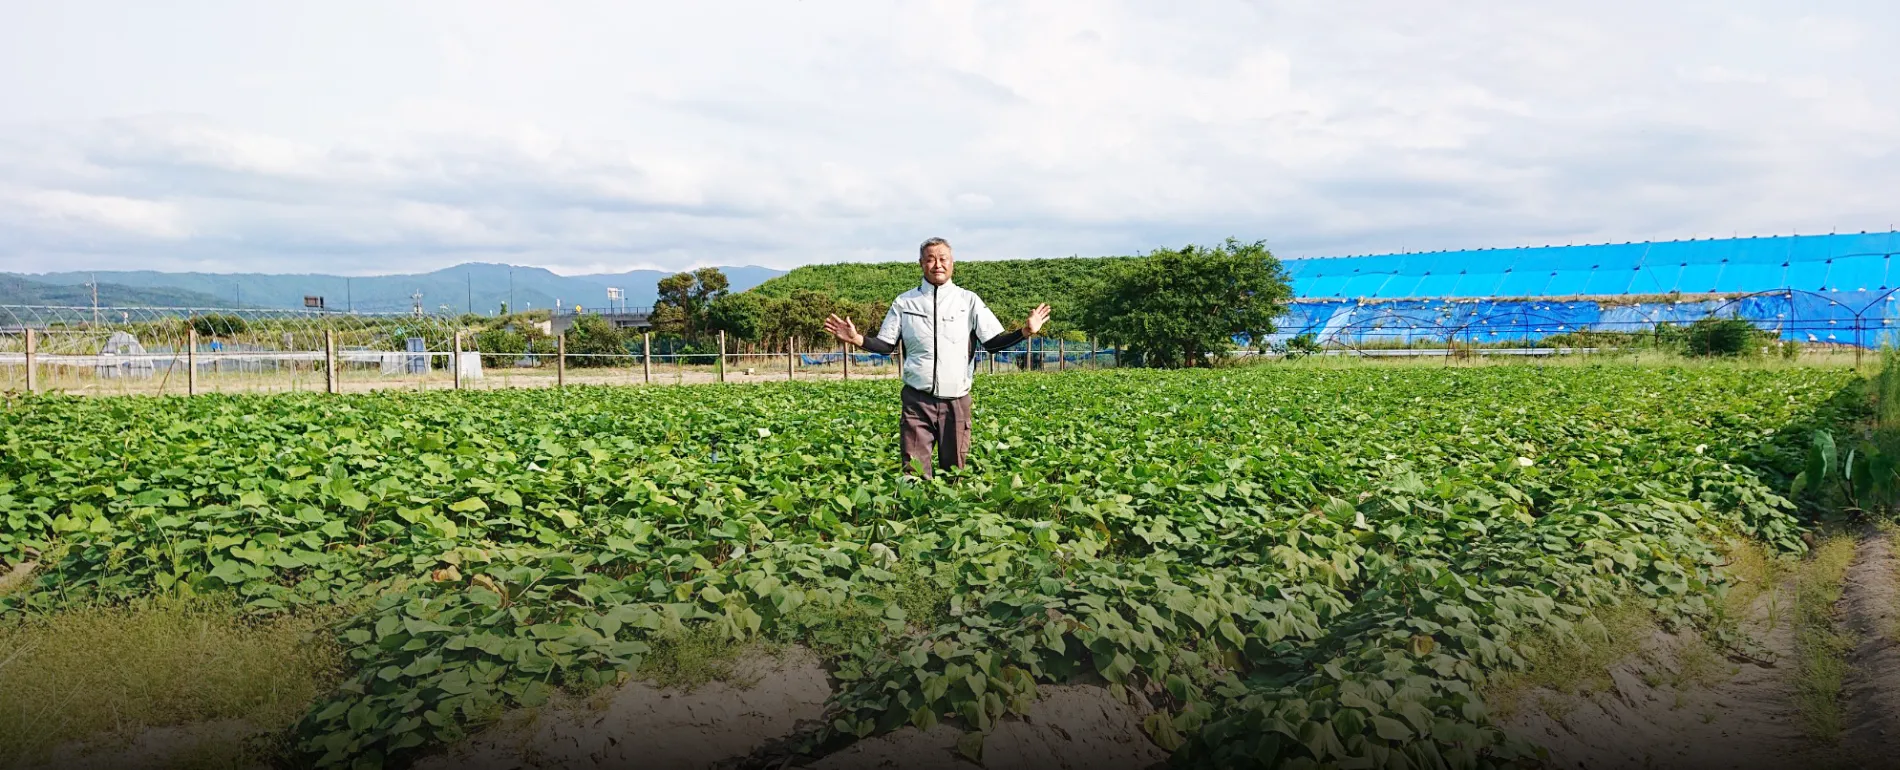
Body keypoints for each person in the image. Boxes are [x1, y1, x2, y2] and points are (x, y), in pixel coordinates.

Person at [824, 237, 1051, 478]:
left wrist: (1025, 332)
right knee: (913, 472)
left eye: (943, 259)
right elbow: (886, 345)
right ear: (921, 263)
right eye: (930, 259)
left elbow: (993, 343)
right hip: (916, 399)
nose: (937, 264)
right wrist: (858, 339)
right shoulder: (905, 302)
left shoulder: (968, 301)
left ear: (952, 263)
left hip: (956, 401)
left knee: (954, 471)